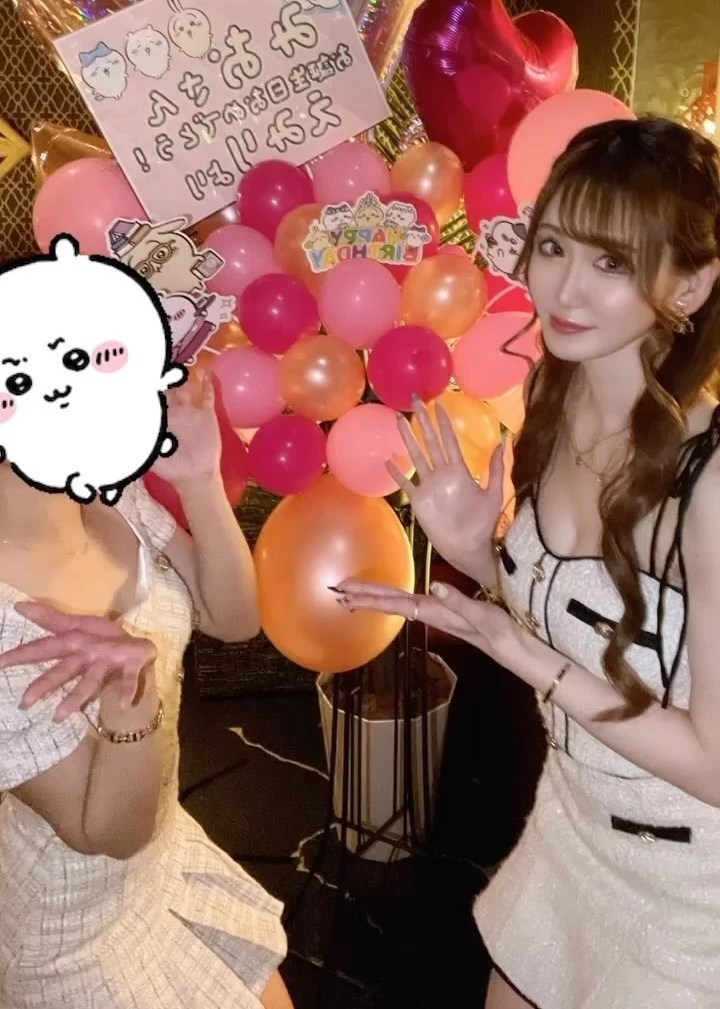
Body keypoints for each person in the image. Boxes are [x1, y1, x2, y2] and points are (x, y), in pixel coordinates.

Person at [336, 117, 720, 1008]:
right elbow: (577, 627)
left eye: (612, 262)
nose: (566, 289)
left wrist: (514, 649)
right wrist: (479, 553)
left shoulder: (708, 480)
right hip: (571, 827)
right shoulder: (552, 394)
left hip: (690, 893)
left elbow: (712, 765)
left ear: (691, 283)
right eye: (553, 247)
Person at [0, 373, 293, 1009]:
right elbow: (107, 831)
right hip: (73, 931)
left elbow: (233, 620)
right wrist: (129, 694)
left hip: (162, 855)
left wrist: (199, 480)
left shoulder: (104, 489)